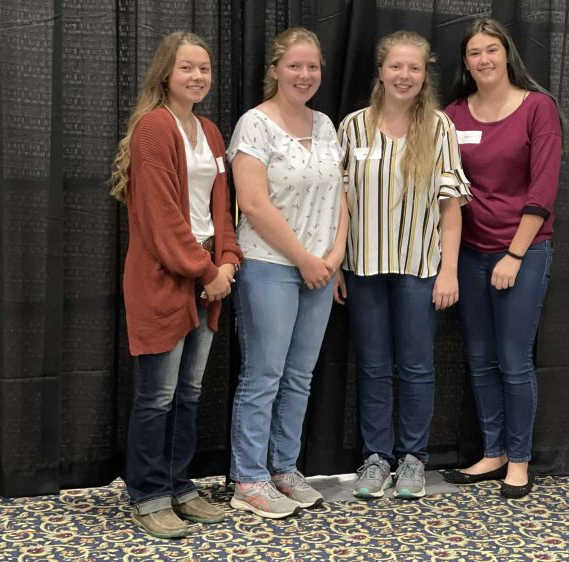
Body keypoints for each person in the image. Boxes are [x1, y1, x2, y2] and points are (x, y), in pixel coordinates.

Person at [109, 31, 242, 538]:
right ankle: (147, 495)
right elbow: (162, 218)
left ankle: (178, 485)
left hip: (209, 276)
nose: (198, 77)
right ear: (166, 72)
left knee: (188, 394)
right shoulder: (152, 129)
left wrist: (227, 260)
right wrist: (207, 271)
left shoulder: (209, 130)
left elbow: (221, 207)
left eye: (204, 68)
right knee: (156, 397)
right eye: (187, 68)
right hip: (165, 277)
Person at [336, 31, 472, 500]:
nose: (404, 75)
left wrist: (449, 271)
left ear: (424, 74)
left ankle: (413, 458)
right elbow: (340, 203)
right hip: (363, 267)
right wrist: (335, 265)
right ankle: (377, 457)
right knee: (373, 366)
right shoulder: (352, 127)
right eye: (396, 66)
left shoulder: (438, 128)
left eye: (414, 68)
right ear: (380, 71)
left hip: (419, 268)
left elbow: (450, 209)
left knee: (416, 367)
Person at [227, 27, 348, 519]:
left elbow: (342, 194)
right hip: (271, 266)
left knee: (299, 376)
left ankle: (283, 468)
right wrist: (303, 257)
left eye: (312, 66)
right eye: (294, 66)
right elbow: (253, 203)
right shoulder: (254, 125)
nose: (304, 75)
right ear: (275, 69)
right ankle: (248, 478)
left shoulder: (325, 124)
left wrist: (334, 256)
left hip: (320, 270)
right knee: (264, 375)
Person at [441, 18, 563, 499]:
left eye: (492, 50)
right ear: (465, 62)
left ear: (507, 55)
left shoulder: (538, 108)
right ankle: (492, 452)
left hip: (523, 251)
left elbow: (543, 188)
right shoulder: (452, 114)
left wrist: (513, 254)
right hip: (470, 252)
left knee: (513, 361)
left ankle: (519, 459)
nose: (484, 60)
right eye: (474, 53)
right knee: (479, 359)